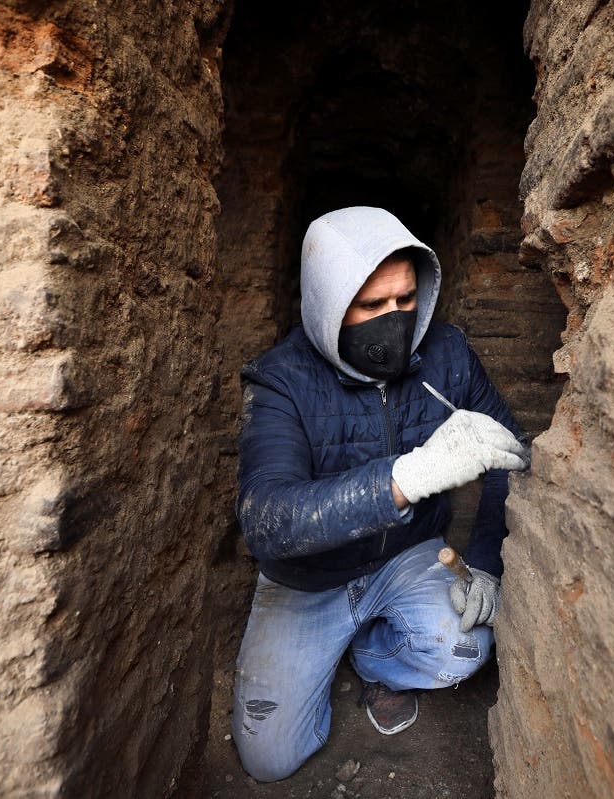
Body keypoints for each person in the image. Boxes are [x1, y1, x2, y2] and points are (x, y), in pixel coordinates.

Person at [232, 205, 530, 781]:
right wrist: (411, 476)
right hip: (307, 577)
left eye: (406, 300)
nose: (393, 320)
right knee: (270, 759)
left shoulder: (447, 355)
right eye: (371, 306)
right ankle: (326, 643)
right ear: (327, 305)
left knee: (463, 650)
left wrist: (487, 563)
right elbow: (267, 520)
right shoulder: (280, 381)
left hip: (408, 554)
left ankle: (375, 662)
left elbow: (506, 455)